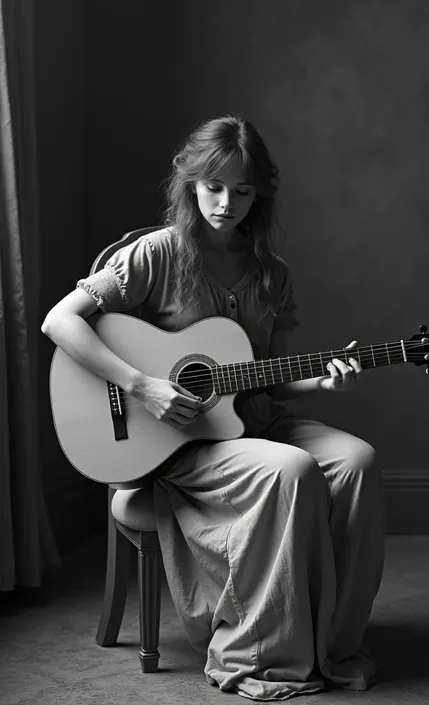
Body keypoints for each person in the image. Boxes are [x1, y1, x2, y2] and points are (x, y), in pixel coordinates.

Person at [41, 115, 384, 701]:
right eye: (214, 187)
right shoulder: (158, 254)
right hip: (181, 443)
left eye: (244, 191)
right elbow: (59, 320)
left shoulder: (270, 274)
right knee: (290, 468)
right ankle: (266, 652)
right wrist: (142, 385)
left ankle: (330, 642)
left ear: (261, 194)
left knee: (357, 460)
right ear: (191, 183)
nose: (227, 203)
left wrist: (322, 384)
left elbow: (268, 381)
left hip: (251, 422)